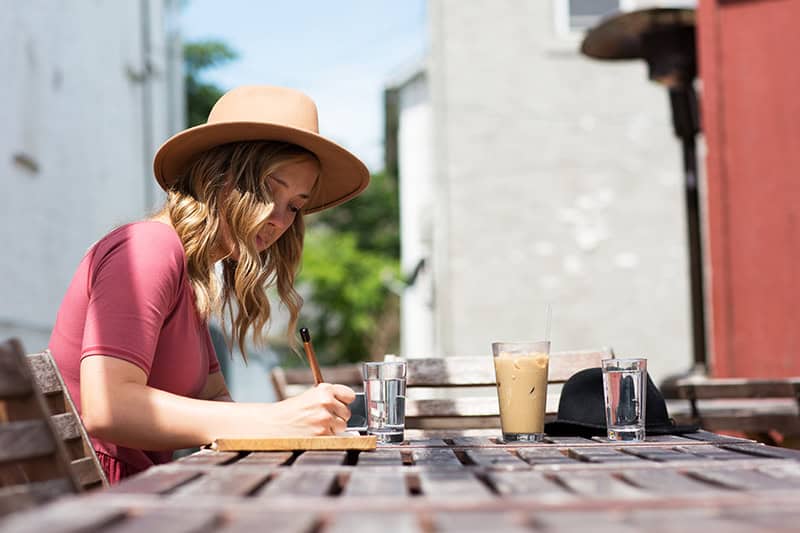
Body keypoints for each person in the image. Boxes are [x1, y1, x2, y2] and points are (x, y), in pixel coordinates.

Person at [48, 85, 370, 482]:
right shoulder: (149, 247)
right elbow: (108, 407)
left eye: (295, 206)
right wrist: (275, 418)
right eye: (268, 189)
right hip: (101, 502)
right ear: (217, 175)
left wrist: (293, 423)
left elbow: (214, 398)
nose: (278, 219)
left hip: (148, 491)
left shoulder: (192, 276)